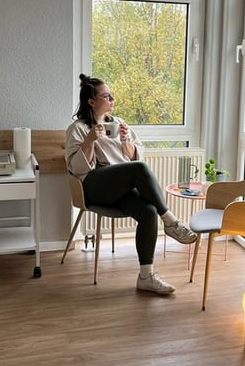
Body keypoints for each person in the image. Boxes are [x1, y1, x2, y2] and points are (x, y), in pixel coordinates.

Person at [64, 74, 197, 295]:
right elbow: (76, 169)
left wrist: (127, 141)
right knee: (139, 169)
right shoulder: (77, 128)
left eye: (112, 95)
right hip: (93, 187)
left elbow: (135, 156)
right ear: (91, 101)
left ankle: (146, 276)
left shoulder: (117, 123)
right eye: (107, 96)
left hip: (120, 187)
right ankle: (171, 221)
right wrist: (89, 140)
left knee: (148, 211)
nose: (112, 99)